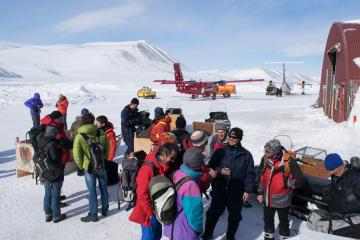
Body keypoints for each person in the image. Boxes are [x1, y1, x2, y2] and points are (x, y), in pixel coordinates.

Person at [204, 127, 255, 240]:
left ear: (240, 138)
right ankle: (207, 234)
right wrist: (219, 171)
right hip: (220, 188)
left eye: (234, 137)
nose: (231, 139)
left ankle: (230, 235)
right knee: (213, 213)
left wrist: (247, 190)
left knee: (235, 216)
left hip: (236, 190)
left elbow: (250, 174)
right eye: (230, 136)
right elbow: (210, 168)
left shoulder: (246, 155)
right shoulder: (220, 151)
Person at [129, 143, 177, 240]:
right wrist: (151, 214)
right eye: (171, 158)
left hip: (156, 210)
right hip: (148, 213)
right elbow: (142, 194)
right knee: (150, 236)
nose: (173, 161)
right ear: (163, 154)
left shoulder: (161, 165)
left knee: (157, 235)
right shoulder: (148, 169)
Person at [257, 139, 302, 240]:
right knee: (268, 219)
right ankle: (269, 236)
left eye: (267, 151)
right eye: (265, 150)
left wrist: (288, 183)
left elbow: (299, 178)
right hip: (267, 196)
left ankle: (284, 236)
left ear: (275, 152)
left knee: (283, 220)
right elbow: (261, 177)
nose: (264, 152)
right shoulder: (265, 159)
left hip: (283, 198)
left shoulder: (289, 161)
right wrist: (260, 192)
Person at [73, 112, 110, 222]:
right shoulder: (101, 133)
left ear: (83, 121)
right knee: (104, 188)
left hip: (88, 167)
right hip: (101, 165)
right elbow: (107, 149)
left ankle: (93, 215)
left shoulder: (79, 136)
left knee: (92, 191)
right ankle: (105, 209)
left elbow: (77, 154)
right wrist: (104, 159)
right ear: (93, 120)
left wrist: (82, 166)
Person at [164, 148, 204, 240]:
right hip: (185, 232)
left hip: (172, 226)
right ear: (197, 164)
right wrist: (198, 229)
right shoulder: (191, 186)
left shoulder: (178, 173)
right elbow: (194, 214)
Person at [37, 126, 66, 223]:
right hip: (54, 172)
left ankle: (48, 214)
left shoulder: (40, 140)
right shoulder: (52, 144)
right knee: (55, 195)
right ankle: (56, 216)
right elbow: (55, 159)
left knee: (47, 194)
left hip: (44, 172)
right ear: (53, 134)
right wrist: (61, 151)